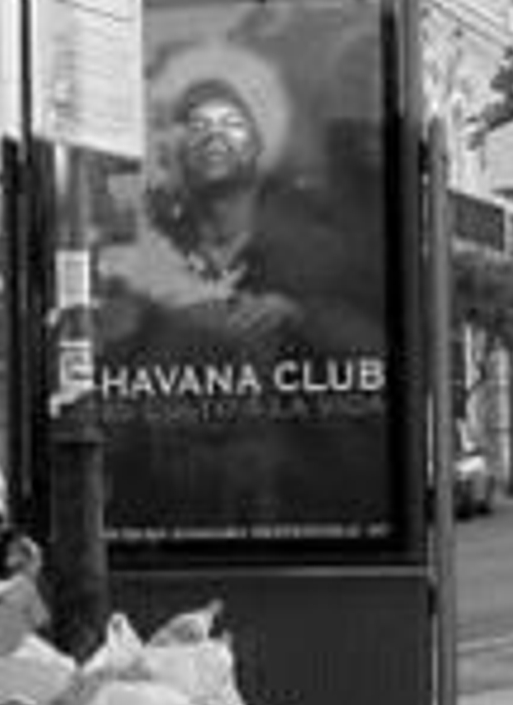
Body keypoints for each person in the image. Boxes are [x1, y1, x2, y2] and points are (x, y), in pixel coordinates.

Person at [97, 37, 388, 538]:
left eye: (231, 124)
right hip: (173, 511)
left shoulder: (315, 246)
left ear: (258, 143)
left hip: (297, 501)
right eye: (199, 126)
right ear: (179, 148)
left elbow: (374, 349)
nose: (215, 137)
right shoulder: (147, 255)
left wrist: (296, 314)